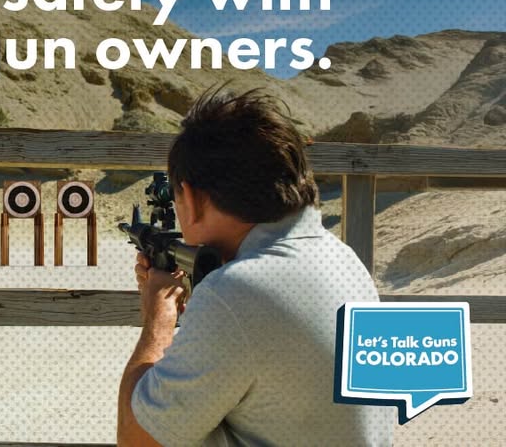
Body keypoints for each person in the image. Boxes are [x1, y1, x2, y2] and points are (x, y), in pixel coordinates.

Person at [117, 87, 393, 446]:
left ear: (195, 199)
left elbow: (135, 439)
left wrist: (158, 316)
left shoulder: (233, 294)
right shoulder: (345, 260)